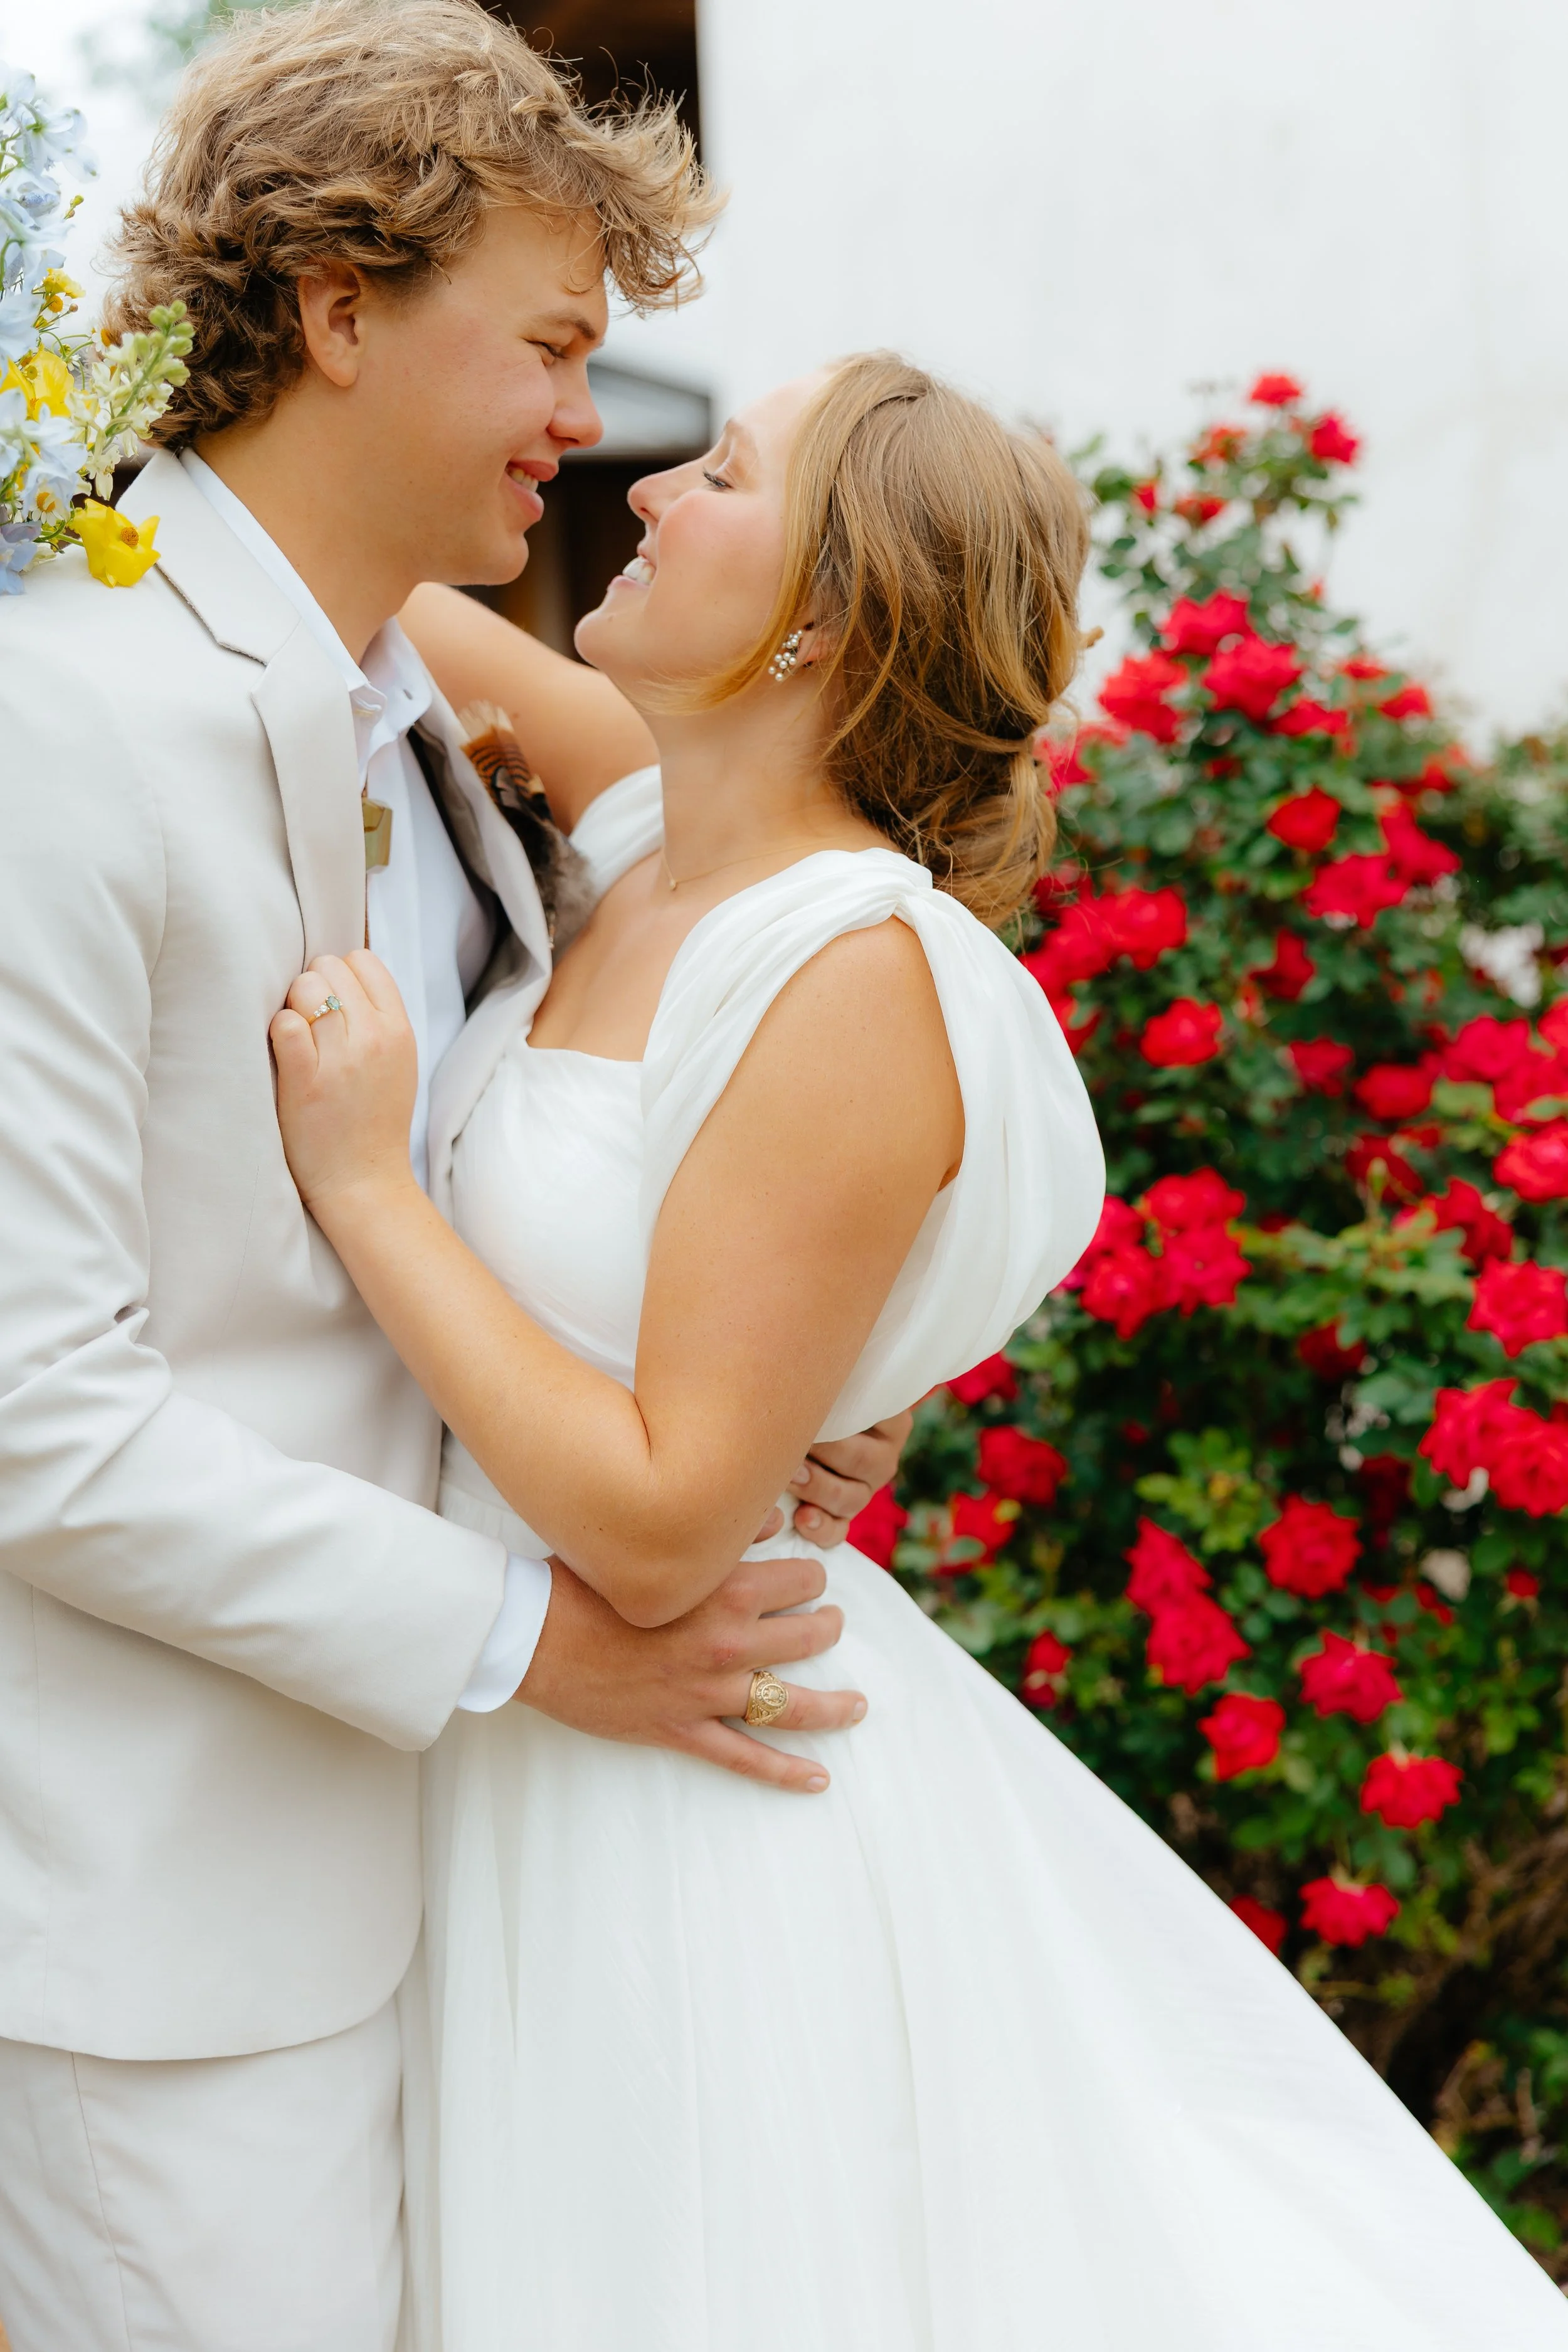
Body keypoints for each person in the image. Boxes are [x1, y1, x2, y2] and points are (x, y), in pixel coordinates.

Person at [272, 351, 1568, 2351]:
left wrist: (372, 1187)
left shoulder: (843, 962)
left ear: (823, 615)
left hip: (686, 1798)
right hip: (522, 1760)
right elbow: (362, 575)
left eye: (713, 474)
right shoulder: (647, 841)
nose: (639, 495)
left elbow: (661, 1519)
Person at [0, 8, 908, 2346]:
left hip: (455, 1885)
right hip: (175, 1932)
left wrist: (725, 1377)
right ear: (334, 312)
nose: (586, 425)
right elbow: (35, 1411)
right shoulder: (62, 723)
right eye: (547, 346)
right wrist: (541, 1642)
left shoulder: (412, 700)